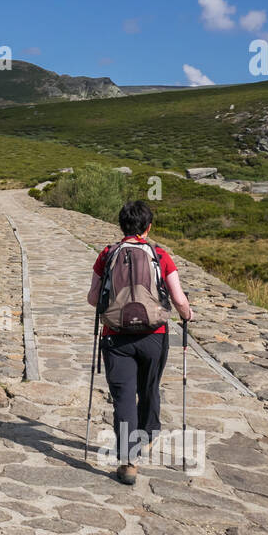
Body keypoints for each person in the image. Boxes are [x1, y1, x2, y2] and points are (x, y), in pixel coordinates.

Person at [85, 200, 192, 485]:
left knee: (123, 398)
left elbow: (93, 299)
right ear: (148, 227)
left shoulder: (107, 254)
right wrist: (186, 314)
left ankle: (129, 461)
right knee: (149, 389)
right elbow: (179, 299)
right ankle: (148, 437)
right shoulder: (160, 255)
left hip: (115, 338)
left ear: (121, 225)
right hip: (153, 336)